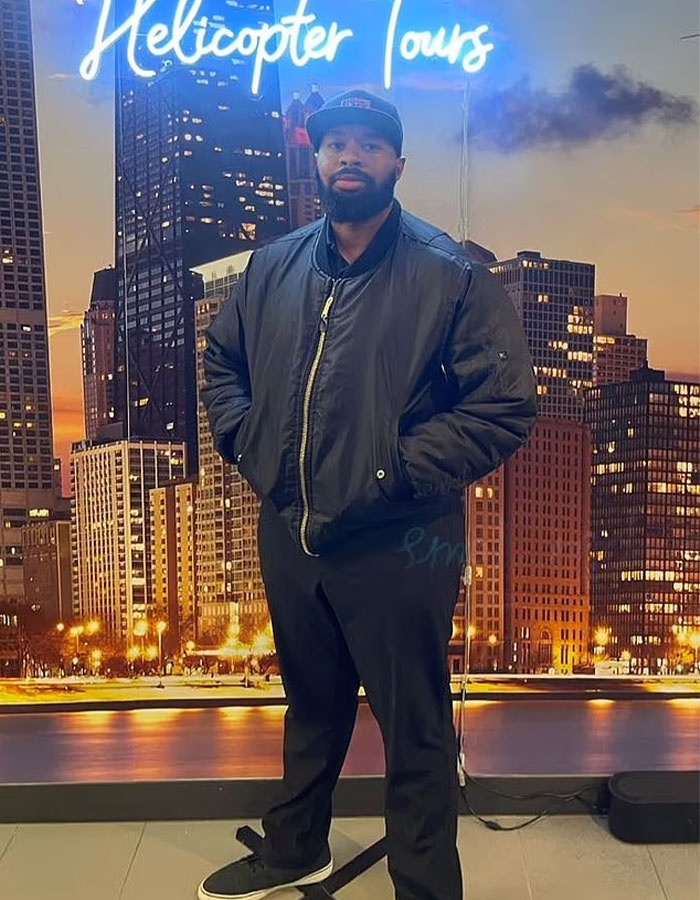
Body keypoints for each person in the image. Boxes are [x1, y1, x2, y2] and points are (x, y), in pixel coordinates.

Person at [198, 89, 537, 900]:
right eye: (335, 143)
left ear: (397, 165)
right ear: (317, 159)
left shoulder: (450, 273)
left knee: (413, 725)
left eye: (369, 145)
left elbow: (503, 406)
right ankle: (293, 850)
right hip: (292, 529)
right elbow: (222, 366)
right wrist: (253, 450)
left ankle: (424, 886)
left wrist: (391, 474)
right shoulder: (273, 267)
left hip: (402, 537)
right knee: (310, 703)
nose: (350, 156)